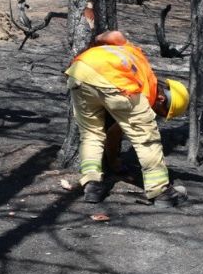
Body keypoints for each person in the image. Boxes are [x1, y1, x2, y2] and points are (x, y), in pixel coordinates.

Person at [66, 30, 190, 207]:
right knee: (146, 138)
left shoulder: (133, 54)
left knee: (91, 133)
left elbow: (114, 34)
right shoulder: (144, 92)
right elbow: (134, 136)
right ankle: (160, 191)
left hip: (80, 72)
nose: (157, 115)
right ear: (162, 99)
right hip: (116, 82)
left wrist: (96, 45)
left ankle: (92, 185)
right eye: (161, 112)